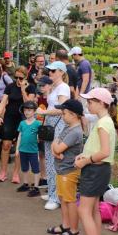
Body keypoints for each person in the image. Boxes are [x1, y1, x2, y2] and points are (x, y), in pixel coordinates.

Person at [75, 88, 116, 235]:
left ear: (101, 103)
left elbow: (104, 152)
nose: (88, 105)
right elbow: (99, 149)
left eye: (90, 102)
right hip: (100, 170)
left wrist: (86, 161)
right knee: (93, 210)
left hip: (95, 171)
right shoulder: (105, 121)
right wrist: (84, 155)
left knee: (83, 210)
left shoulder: (103, 123)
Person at [48, 99, 84, 235]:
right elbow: (54, 144)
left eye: (64, 113)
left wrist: (56, 149)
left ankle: (74, 232)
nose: (62, 116)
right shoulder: (68, 127)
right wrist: (56, 150)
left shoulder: (75, 131)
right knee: (63, 199)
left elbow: (57, 147)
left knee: (70, 201)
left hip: (69, 171)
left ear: (73, 114)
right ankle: (65, 225)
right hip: (62, 169)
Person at [37, 61, 71, 211]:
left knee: (54, 159)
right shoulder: (56, 87)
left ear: (61, 72)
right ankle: (52, 192)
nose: (50, 73)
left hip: (57, 124)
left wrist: (44, 113)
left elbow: (62, 108)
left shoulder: (63, 87)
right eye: (49, 70)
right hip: (51, 124)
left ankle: (55, 196)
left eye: (52, 71)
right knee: (50, 158)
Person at [0, 66, 36, 183]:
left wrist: (23, 90)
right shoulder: (10, 86)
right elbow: (3, 102)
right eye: (16, 77)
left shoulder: (31, 87)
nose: (18, 80)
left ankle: (16, 173)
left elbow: (29, 104)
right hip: (10, 117)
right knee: (6, 144)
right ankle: (3, 172)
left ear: (26, 77)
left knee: (20, 147)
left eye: (21, 78)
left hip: (24, 120)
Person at [15, 101, 42, 197]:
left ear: (34, 111)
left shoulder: (38, 124)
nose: (27, 112)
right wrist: (17, 149)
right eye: (25, 110)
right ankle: (26, 184)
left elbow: (40, 138)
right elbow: (19, 136)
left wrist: (39, 151)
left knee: (35, 169)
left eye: (29, 110)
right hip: (23, 150)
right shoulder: (22, 123)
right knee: (24, 168)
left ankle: (36, 187)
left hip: (33, 151)